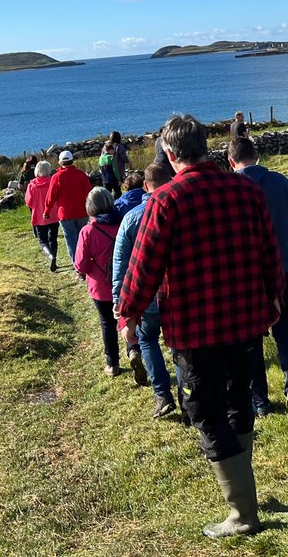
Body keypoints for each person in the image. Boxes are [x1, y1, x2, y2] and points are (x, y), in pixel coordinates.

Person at [117, 114, 283, 539]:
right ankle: (247, 497)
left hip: (195, 330)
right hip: (247, 320)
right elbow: (269, 251)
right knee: (238, 403)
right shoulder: (246, 189)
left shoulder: (165, 201)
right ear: (206, 146)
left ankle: (243, 513)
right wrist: (275, 298)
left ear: (170, 154)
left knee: (204, 413)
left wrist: (129, 314)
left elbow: (143, 268)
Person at [228, 136, 288, 423]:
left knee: (251, 337)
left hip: (248, 274)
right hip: (284, 267)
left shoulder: (232, 190)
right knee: (287, 329)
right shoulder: (280, 182)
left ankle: (260, 401)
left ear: (231, 161)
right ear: (257, 155)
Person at [112, 163, 178, 417]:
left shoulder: (131, 218)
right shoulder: (177, 209)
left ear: (145, 187)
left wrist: (120, 302)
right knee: (176, 346)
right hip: (173, 293)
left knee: (148, 340)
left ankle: (162, 394)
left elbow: (121, 264)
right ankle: (186, 393)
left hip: (144, 295)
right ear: (170, 179)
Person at [74, 186, 123, 377]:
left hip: (101, 287)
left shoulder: (88, 231)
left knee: (107, 323)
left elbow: (81, 264)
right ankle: (134, 350)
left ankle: (113, 364)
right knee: (130, 318)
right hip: (126, 282)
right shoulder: (124, 222)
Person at [44, 150, 91, 264]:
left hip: (65, 215)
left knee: (71, 240)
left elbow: (51, 197)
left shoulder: (57, 177)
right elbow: (89, 194)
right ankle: (86, 261)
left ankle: (78, 266)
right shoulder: (81, 175)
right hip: (81, 212)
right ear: (72, 161)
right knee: (83, 239)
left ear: (60, 162)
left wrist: (47, 211)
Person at [23, 160, 58, 271]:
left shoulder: (32, 185)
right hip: (54, 215)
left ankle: (49, 256)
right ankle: (54, 259)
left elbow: (28, 202)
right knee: (53, 238)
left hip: (39, 217)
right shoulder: (53, 182)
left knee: (43, 240)